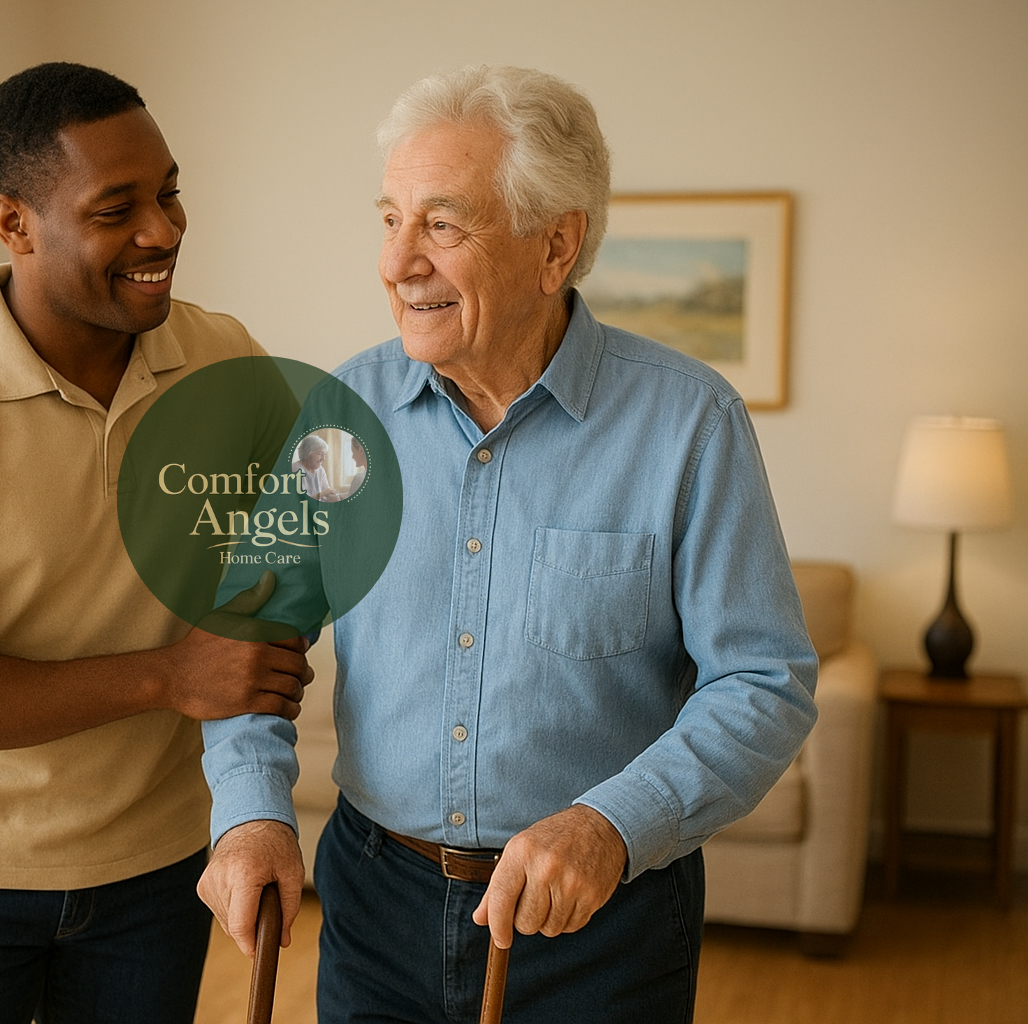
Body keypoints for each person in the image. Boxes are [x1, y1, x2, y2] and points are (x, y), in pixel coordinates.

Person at [198, 65, 818, 1022]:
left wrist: (612, 824)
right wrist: (247, 811)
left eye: (442, 225)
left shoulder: (690, 425)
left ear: (556, 245)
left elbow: (764, 682)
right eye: (390, 219)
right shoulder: (343, 415)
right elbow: (250, 636)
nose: (398, 261)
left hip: (601, 924)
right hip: (373, 907)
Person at [0, 62, 313, 1023]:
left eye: (169, 192)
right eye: (116, 208)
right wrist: (167, 676)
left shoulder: (228, 361)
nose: (162, 230)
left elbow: (275, 574)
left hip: (156, 867)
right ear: (15, 223)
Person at [292, 433, 340, 500]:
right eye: (320, 454)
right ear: (307, 453)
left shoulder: (320, 470)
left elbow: (327, 493)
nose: (323, 459)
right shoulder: (295, 469)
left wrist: (336, 496)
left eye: (325, 454)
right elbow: (300, 501)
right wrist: (323, 493)